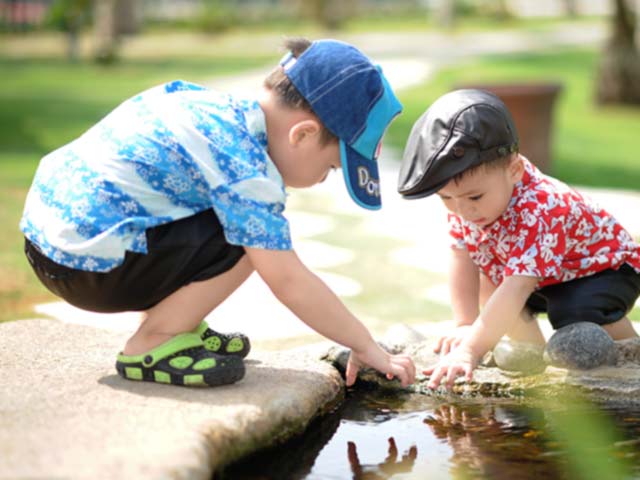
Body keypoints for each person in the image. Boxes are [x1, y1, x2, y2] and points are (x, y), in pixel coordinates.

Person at [21, 38, 416, 388]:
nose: (322, 180)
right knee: (255, 241)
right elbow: (288, 280)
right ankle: (155, 341)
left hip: (49, 243)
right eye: (331, 168)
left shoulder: (209, 107)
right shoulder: (245, 166)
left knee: (238, 221)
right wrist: (364, 344)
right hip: (87, 268)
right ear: (304, 134)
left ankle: (179, 325)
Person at [397, 88, 640, 389]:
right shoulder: (467, 204)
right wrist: (465, 324)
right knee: (490, 279)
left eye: (474, 196)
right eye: (446, 197)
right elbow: (462, 258)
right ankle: (532, 357)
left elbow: (519, 285)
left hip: (604, 270)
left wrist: (470, 350)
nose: (462, 210)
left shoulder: (541, 207)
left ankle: (629, 352)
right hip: (544, 274)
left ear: (514, 169)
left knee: (574, 311)